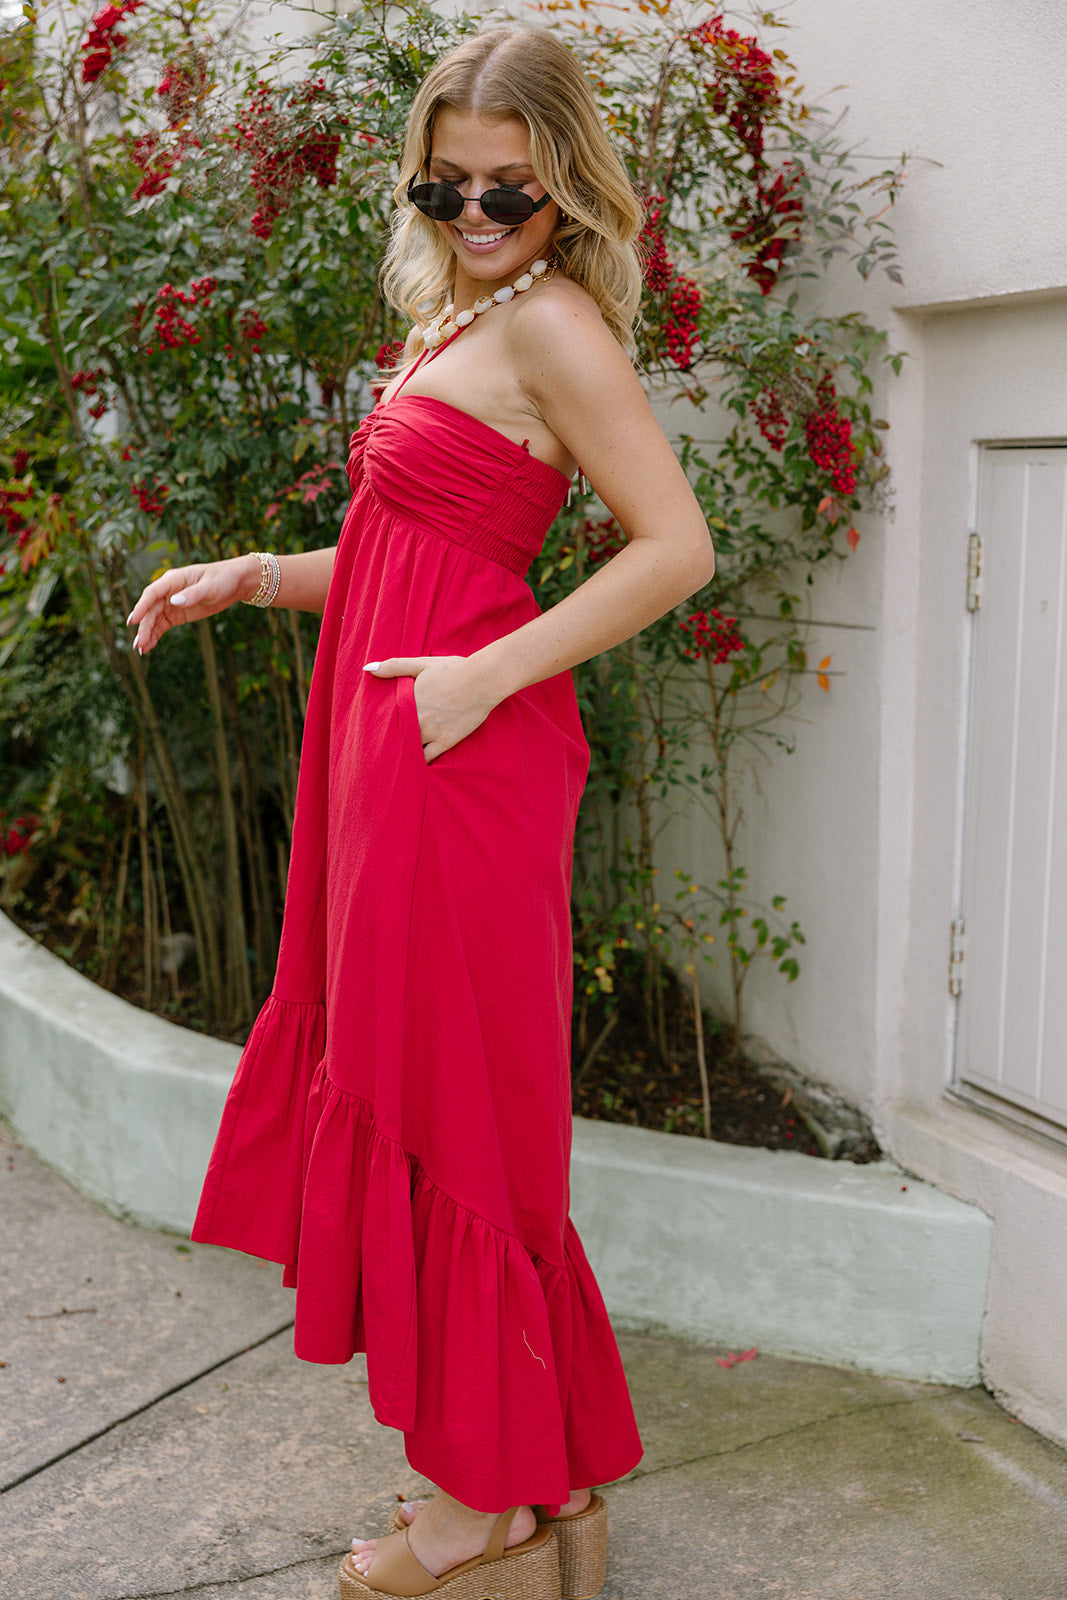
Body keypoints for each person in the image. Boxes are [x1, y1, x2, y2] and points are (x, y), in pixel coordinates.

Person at [128, 23, 714, 1600]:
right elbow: (408, 557)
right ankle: (544, 1479)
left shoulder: (557, 327)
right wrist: (254, 576)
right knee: (456, 1103)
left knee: (449, 1110)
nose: (473, 213)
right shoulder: (466, 313)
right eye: (443, 185)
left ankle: (473, 1513)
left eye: (505, 189)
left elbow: (677, 547)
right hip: (397, 749)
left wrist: (483, 678)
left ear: (564, 183)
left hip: (461, 757)